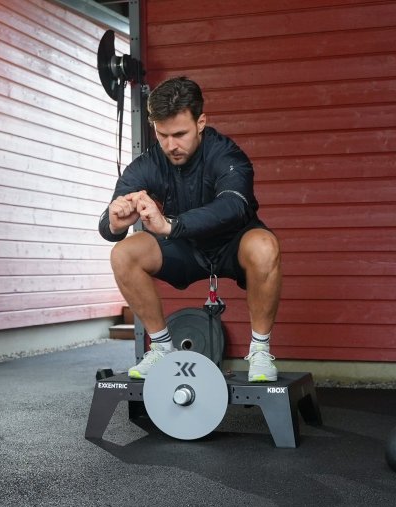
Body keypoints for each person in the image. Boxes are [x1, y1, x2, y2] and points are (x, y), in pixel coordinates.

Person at [99, 76, 282, 382]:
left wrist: (171, 224)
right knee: (123, 253)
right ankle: (160, 349)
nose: (171, 145)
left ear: (201, 122)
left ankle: (261, 352)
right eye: (162, 135)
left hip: (232, 244)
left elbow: (234, 206)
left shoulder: (226, 154)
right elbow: (108, 221)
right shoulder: (148, 164)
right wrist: (114, 223)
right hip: (184, 249)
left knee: (265, 245)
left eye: (180, 134)